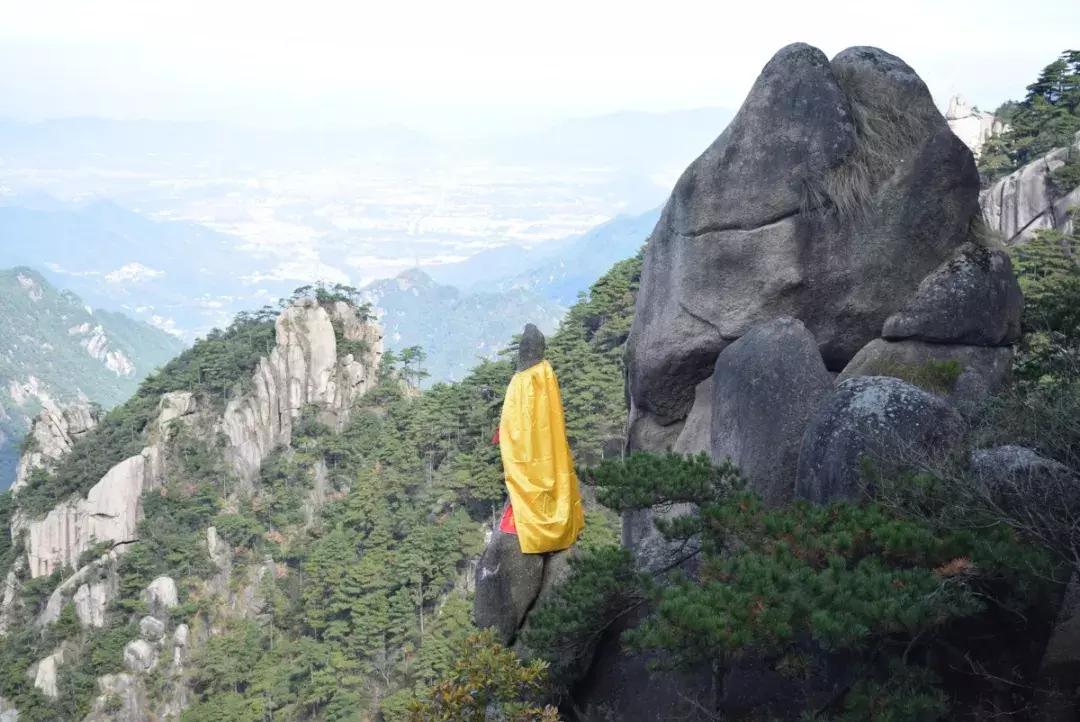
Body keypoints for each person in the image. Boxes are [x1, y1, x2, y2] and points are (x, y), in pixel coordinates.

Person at [494, 324, 584, 554]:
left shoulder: (522, 379)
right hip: (547, 446)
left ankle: (530, 524)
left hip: (527, 448)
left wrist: (504, 435)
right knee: (552, 468)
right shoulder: (546, 371)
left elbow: (512, 421)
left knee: (526, 476)